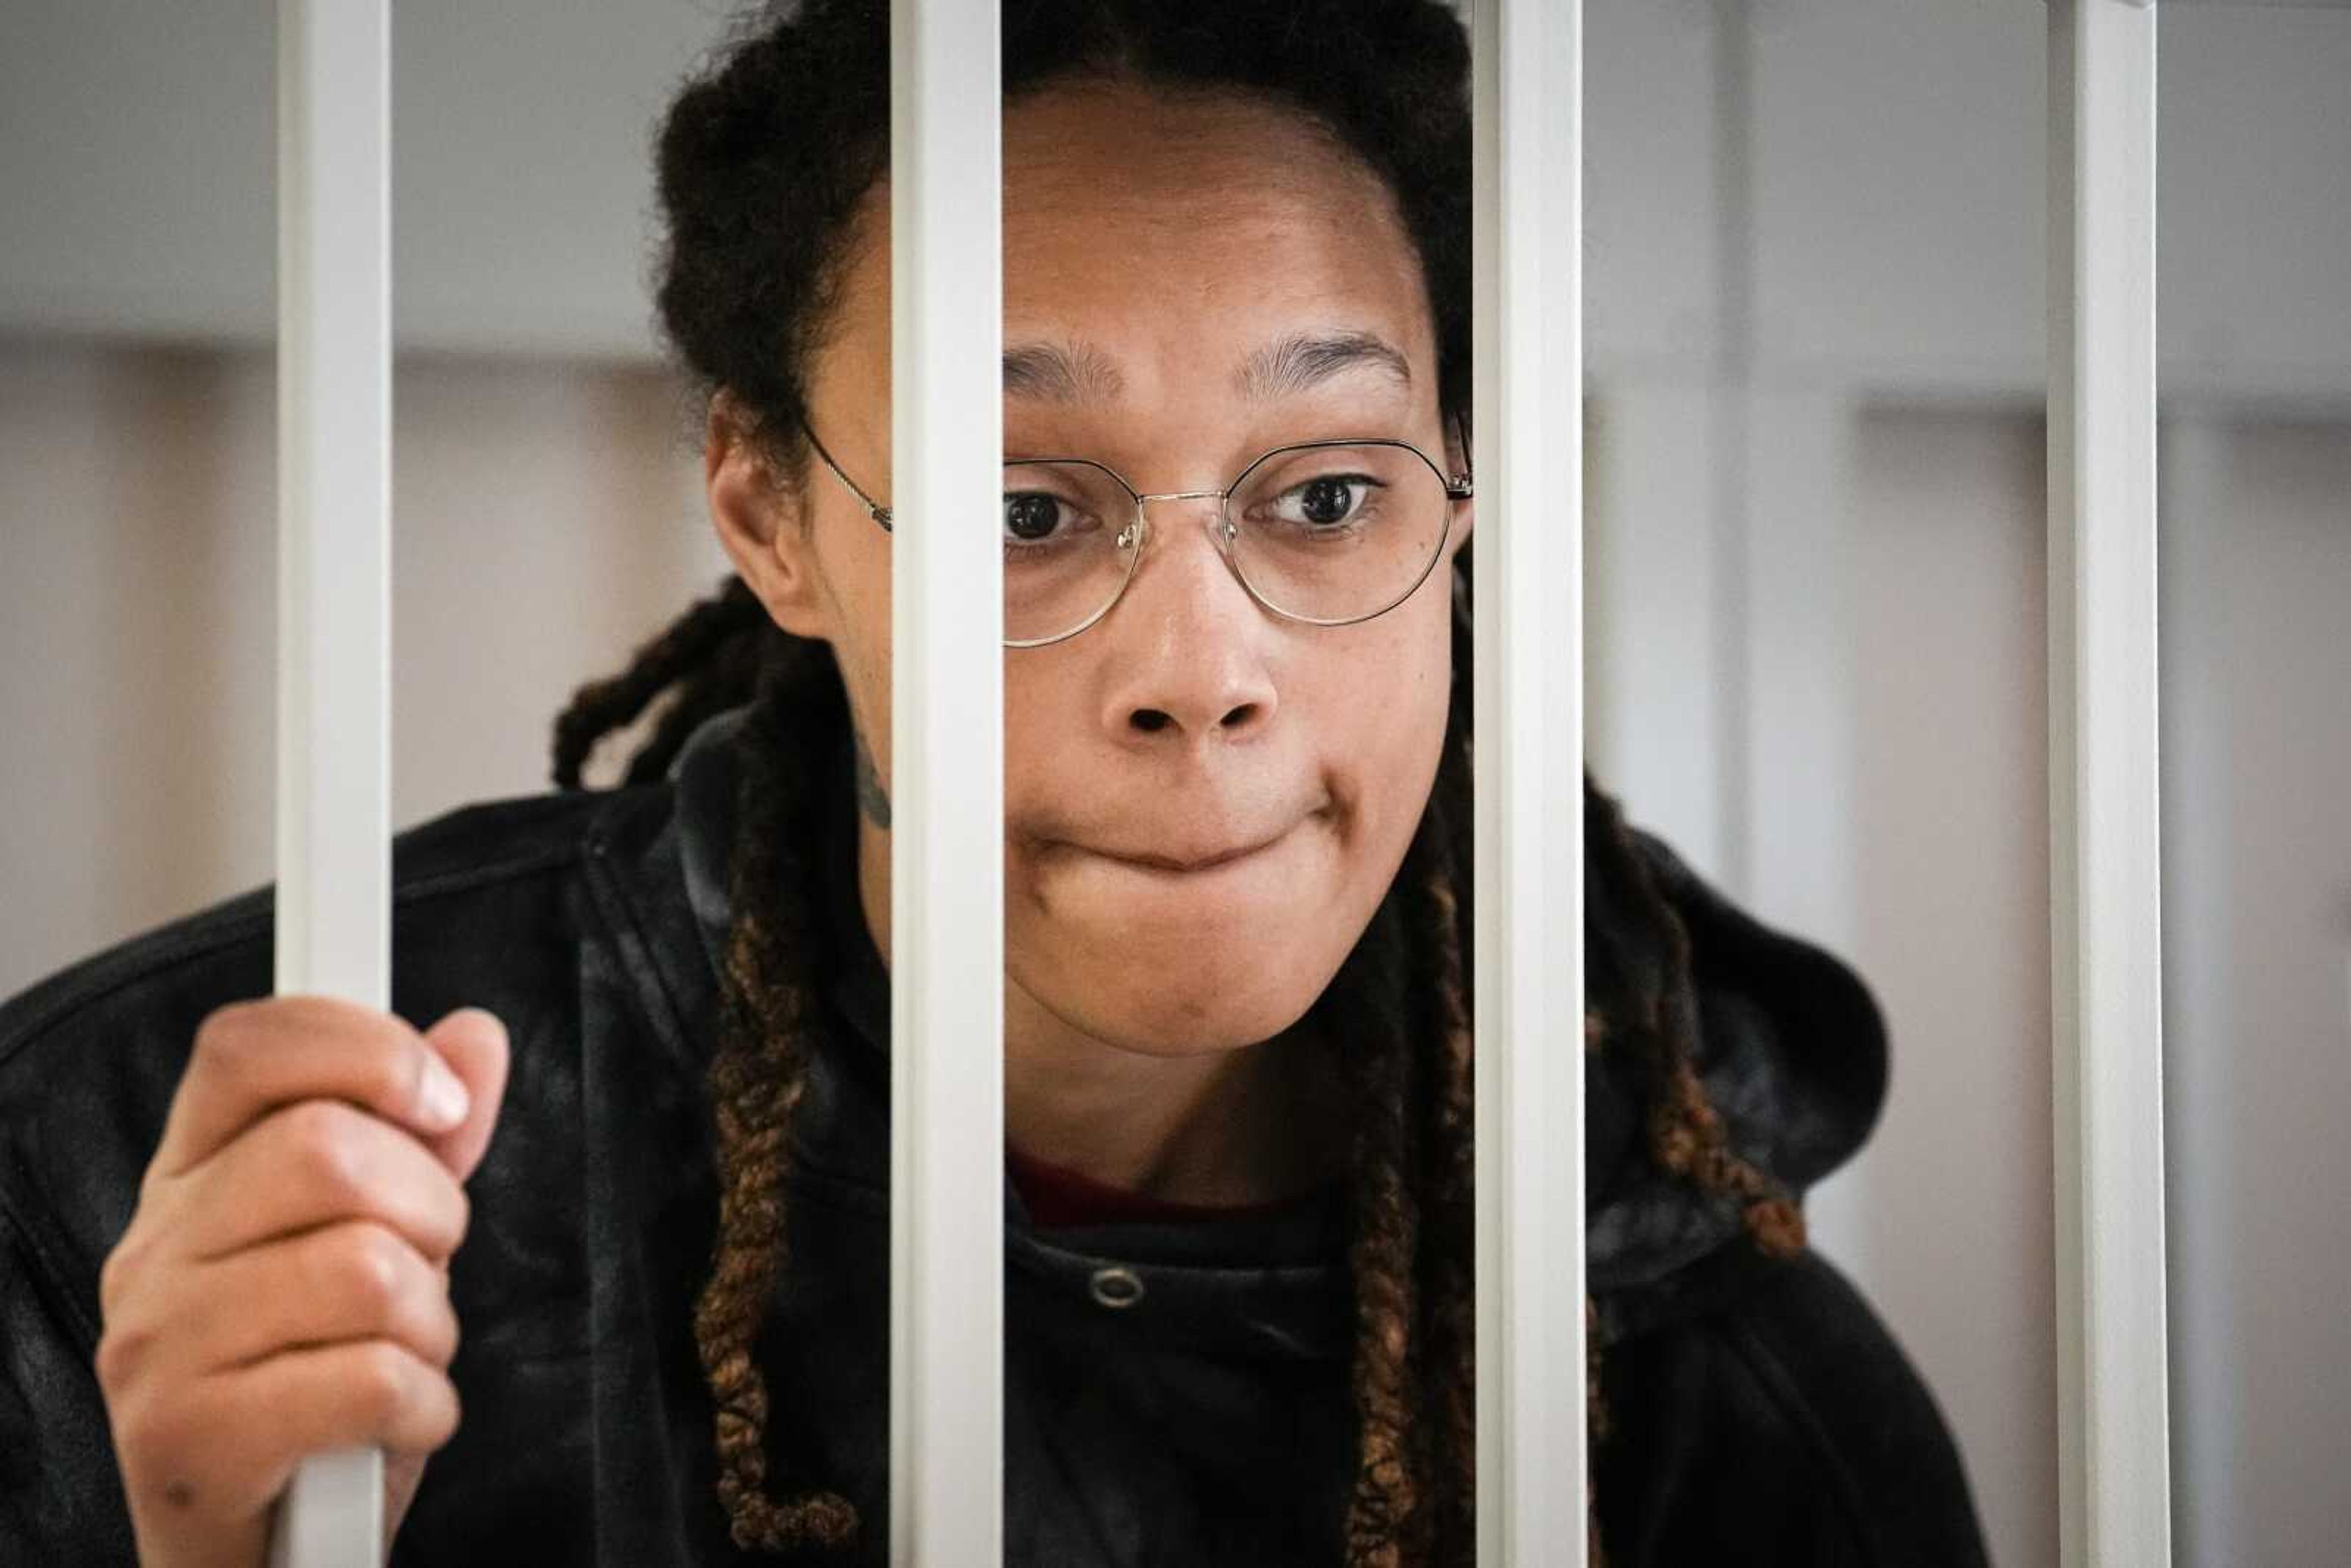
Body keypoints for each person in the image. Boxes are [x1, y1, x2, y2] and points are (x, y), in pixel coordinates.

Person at [0, 1, 1991, 1563]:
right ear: (770, 514)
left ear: (1462, 499)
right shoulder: (195, 1180)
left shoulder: (1696, 1349)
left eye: (1323, 497)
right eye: (1027, 507)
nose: (1201, 676)